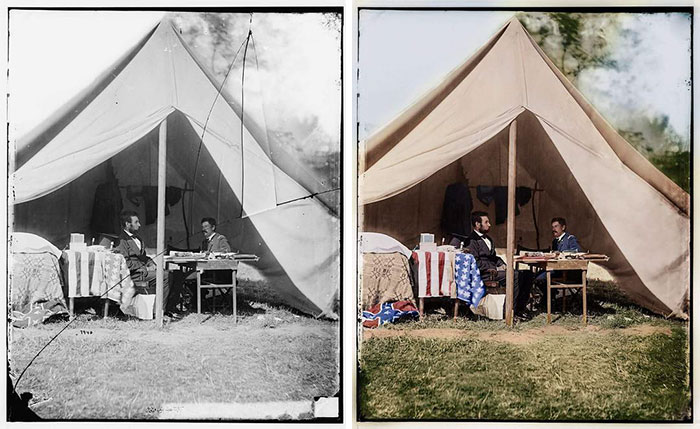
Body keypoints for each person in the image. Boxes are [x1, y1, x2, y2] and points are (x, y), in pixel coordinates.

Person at [114, 210, 185, 320]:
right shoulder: (121, 240)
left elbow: (144, 257)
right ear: (128, 224)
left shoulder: (138, 239)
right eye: (136, 222)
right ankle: (158, 312)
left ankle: (170, 308)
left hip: (143, 271)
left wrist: (152, 263)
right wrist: (144, 267)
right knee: (165, 276)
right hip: (134, 274)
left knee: (177, 275)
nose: (140, 224)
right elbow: (125, 262)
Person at [465, 211, 533, 320]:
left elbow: (494, 257)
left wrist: (502, 264)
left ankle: (520, 309)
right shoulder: (471, 240)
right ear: (477, 225)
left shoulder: (489, 239)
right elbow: (475, 262)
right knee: (514, 276)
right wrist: (492, 268)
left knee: (527, 274)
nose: (489, 224)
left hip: (494, 271)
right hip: (483, 274)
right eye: (486, 222)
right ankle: (510, 312)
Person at [535, 217, 583, 300]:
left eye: (556, 226)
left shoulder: (570, 238)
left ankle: (549, 299)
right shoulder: (555, 241)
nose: (553, 229)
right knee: (534, 277)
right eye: (553, 227)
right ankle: (550, 297)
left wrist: (561, 253)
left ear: (563, 227)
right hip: (557, 269)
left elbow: (576, 251)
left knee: (540, 278)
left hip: (568, 272)